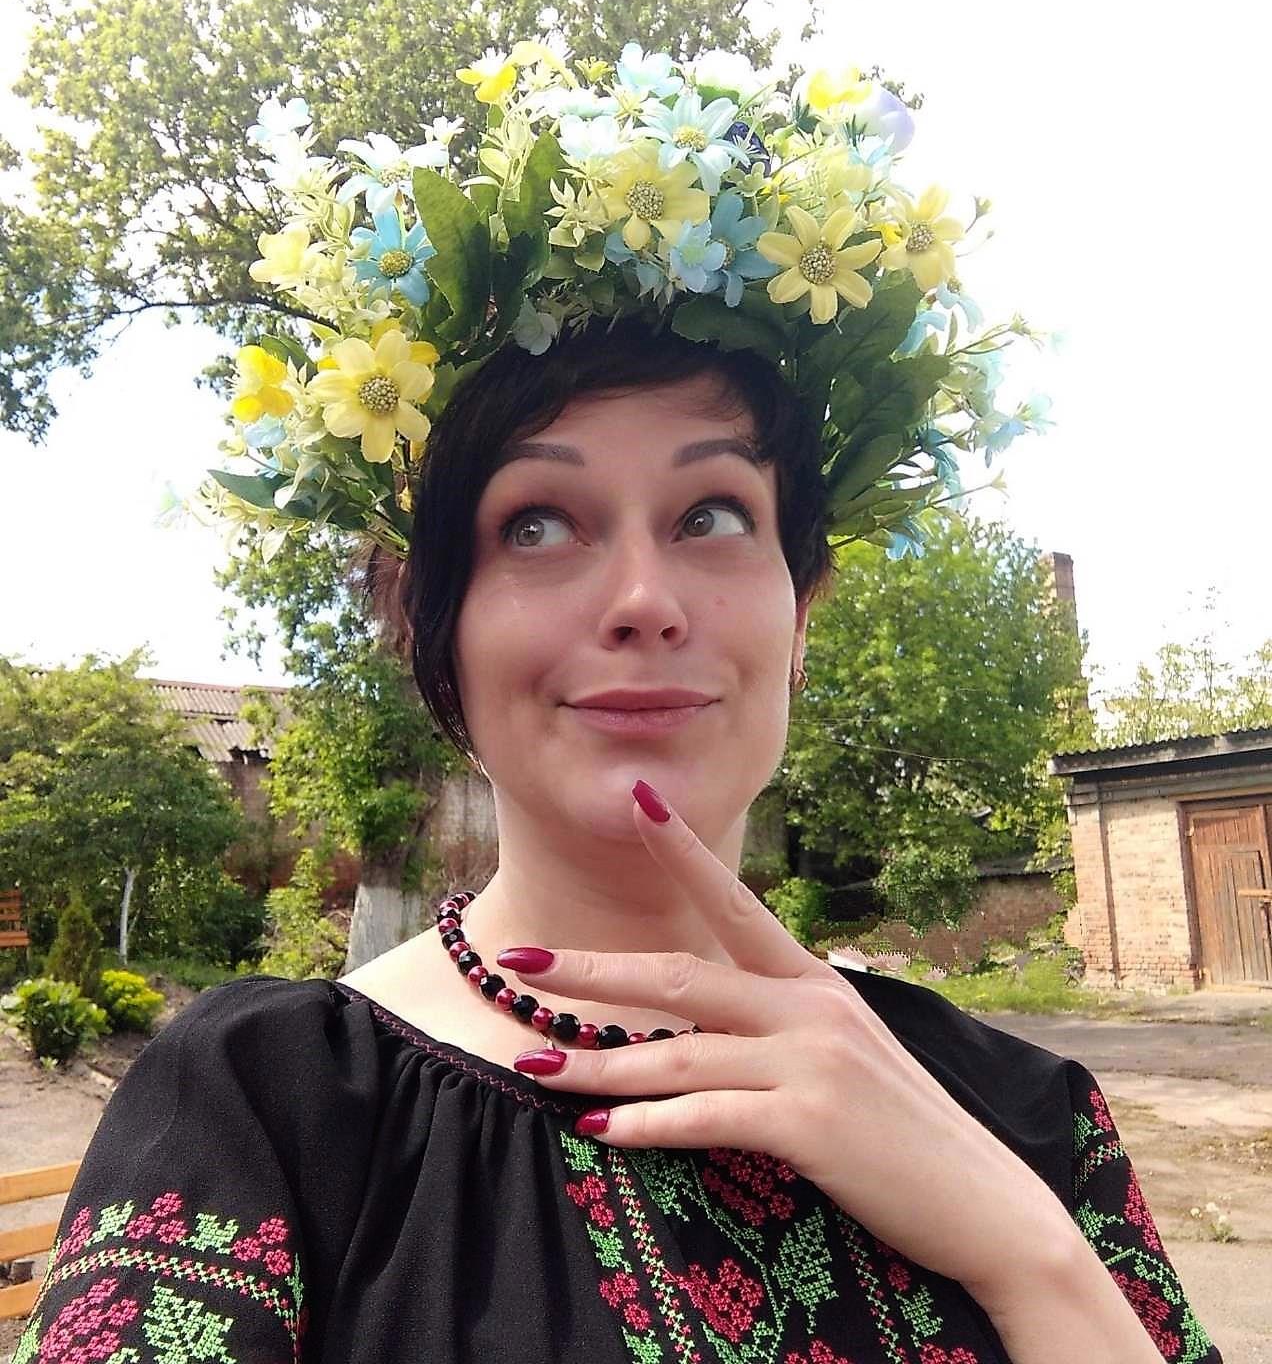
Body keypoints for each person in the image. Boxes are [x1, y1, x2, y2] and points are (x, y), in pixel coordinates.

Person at [11, 320, 1221, 1364]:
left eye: (712, 513)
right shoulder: (265, 1109)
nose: (644, 598)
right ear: (434, 626)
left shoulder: (1028, 1114)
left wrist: (1033, 1262)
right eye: (538, 523)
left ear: (802, 612)